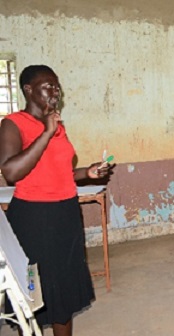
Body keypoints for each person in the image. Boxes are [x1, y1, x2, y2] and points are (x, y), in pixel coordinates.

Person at [0, 65, 114, 336]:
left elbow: (61, 171)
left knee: (63, 287)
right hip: (34, 218)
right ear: (28, 89)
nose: (55, 91)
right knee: (35, 288)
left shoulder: (56, 125)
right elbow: (11, 171)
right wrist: (46, 133)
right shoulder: (13, 123)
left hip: (66, 213)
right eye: (47, 85)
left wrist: (87, 172)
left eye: (56, 85)